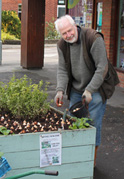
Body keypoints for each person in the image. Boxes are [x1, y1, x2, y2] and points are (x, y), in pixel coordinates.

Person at [54, 15, 109, 166]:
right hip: (76, 90)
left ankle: (91, 161)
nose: (68, 35)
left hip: (96, 88)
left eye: (70, 30)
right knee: (75, 123)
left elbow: (102, 67)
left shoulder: (93, 38)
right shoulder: (62, 45)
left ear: (75, 26)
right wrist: (60, 90)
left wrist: (90, 90)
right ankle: (77, 156)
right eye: (64, 33)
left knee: (93, 124)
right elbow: (62, 70)